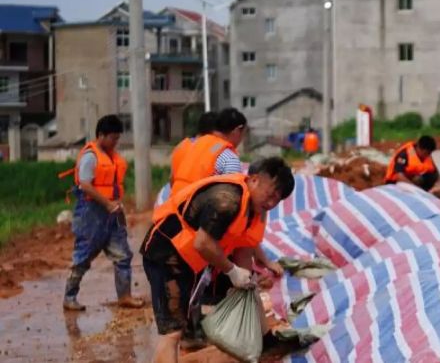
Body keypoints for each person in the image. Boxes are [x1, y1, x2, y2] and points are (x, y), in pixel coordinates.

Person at [141, 157, 295, 363]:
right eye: (271, 194)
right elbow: (203, 243)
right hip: (166, 253)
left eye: (278, 199)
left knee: (247, 289)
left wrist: (246, 278)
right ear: (255, 180)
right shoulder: (226, 200)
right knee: (172, 331)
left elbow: (244, 244)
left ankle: (266, 341)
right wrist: (232, 271)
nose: (272, 203)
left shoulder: (255, 209)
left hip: (192, 260)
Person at [59, 115, 144, 311]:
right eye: (113, 138)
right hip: (91, 212)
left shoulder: (113, 157)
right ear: (101, 135)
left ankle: (125, 296)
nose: (116, 142)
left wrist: (115, 206)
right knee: (82, 257)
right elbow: (85, 185)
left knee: (123, 255)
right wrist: (107, 204)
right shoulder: (91, 156)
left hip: (111, 212)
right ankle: (69, 297)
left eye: (117, 138)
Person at [169, 108, 246, 196]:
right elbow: (231, 196)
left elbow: (172, 180)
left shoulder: (189, 146)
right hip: (198, 206)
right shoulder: (227, 155)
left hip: (174, 203)